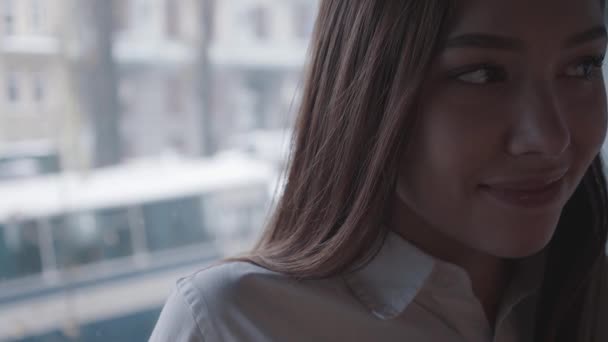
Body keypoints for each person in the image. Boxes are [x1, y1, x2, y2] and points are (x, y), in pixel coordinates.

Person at [150, 0, 608, 340]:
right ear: (369, 87)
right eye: (483, 74)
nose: (551, 137)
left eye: (584, 66)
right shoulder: (233, 325)